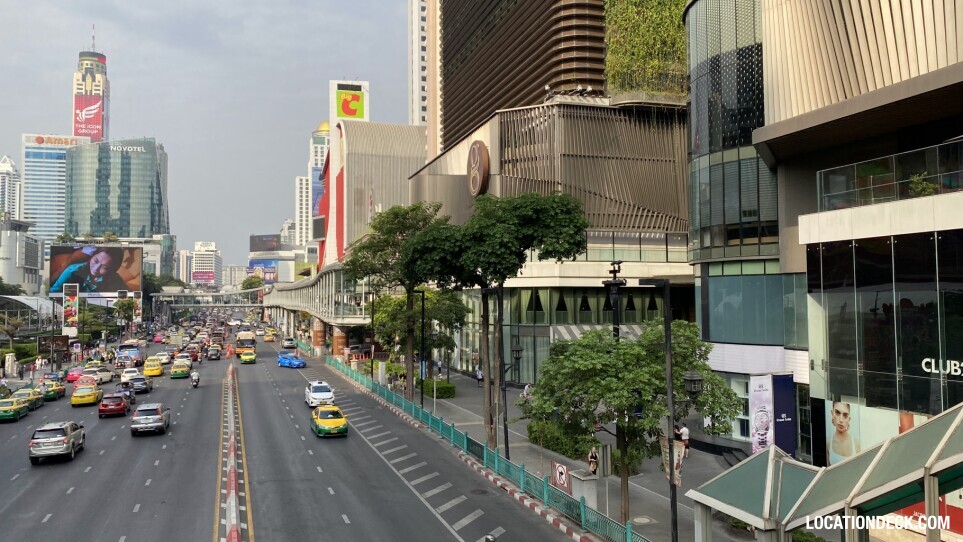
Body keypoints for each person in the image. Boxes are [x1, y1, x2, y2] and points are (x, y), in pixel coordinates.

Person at [50, 247, 129, 294]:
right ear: (92, 256)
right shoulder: (73, 271)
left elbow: (129, 297)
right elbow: (54, 292)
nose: (96, 268)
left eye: (104, 267)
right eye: (95, 260)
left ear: (112, 269)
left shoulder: (115, 279)